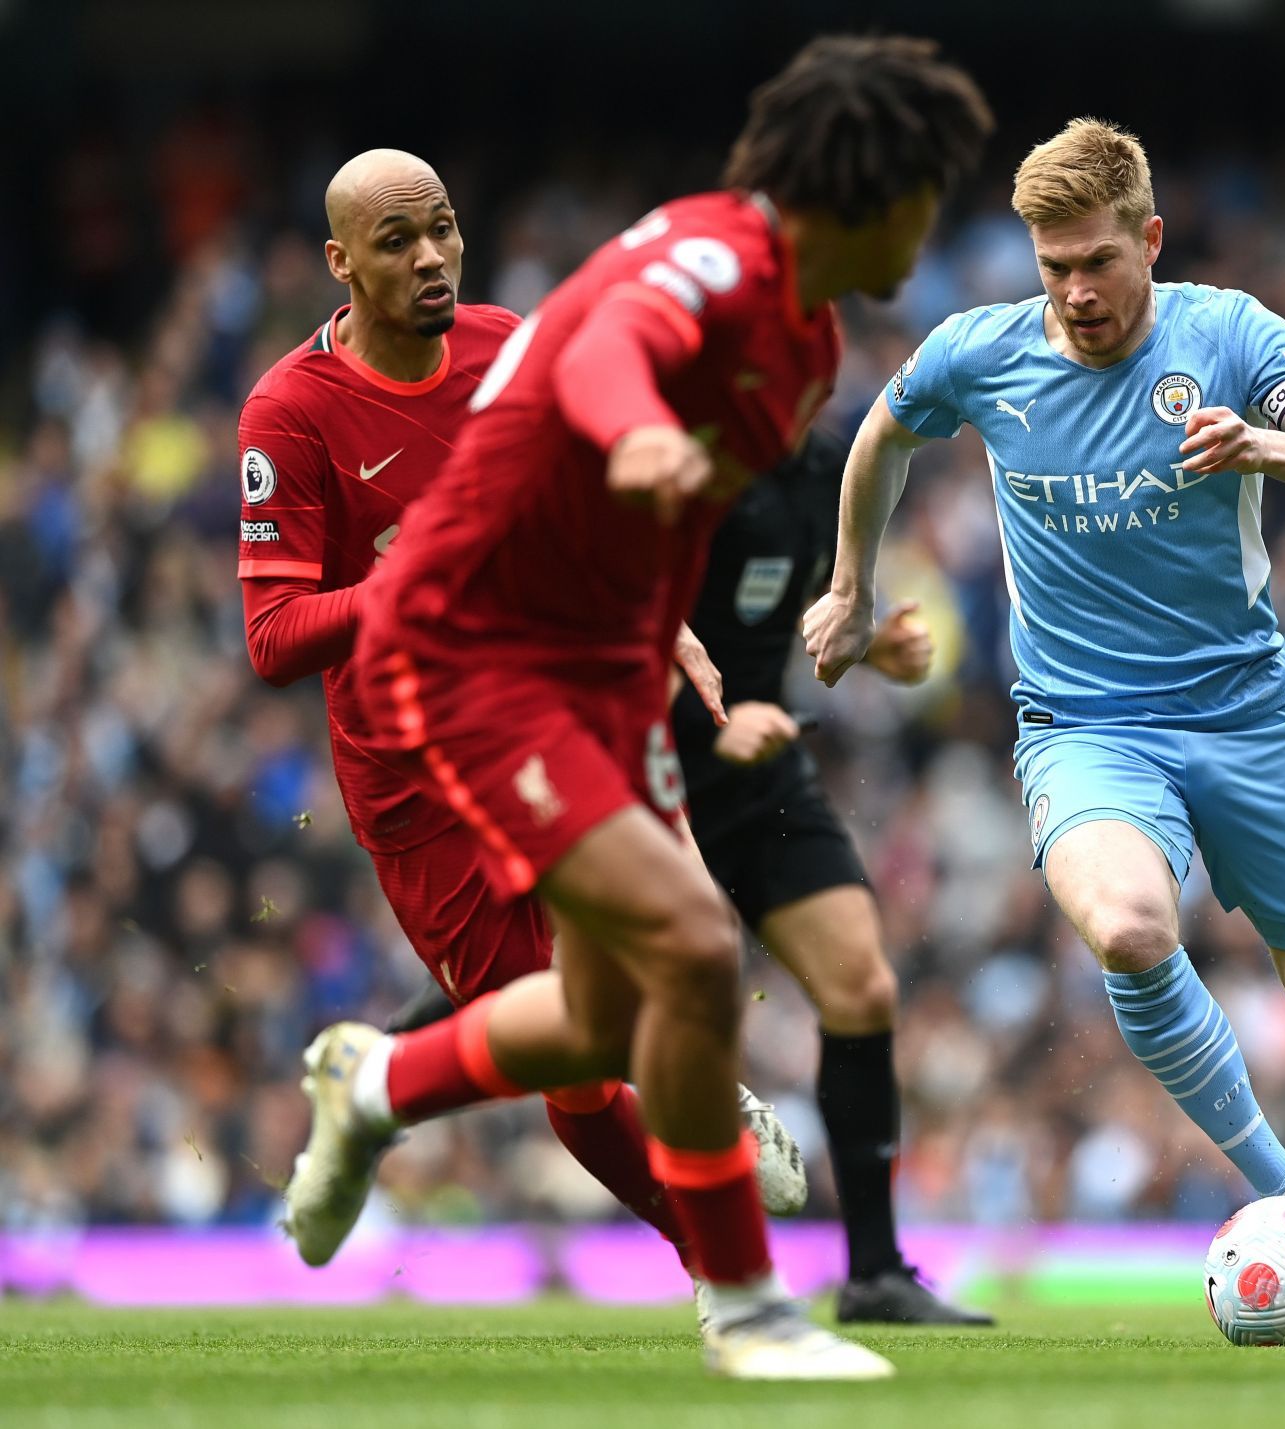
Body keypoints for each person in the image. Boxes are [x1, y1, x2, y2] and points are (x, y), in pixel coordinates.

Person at [283, 37, 993, 1380]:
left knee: (605, 1014)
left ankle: (372, 1083)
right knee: (696, 950)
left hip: (603, 664)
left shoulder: (811, 342)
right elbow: (608, 346)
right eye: (927, 192)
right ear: (874, 188)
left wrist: (753, 651)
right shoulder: (716, 259)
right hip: (469, 640)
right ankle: (748, 1311)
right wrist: (635, 434)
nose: (931, 221)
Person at [803, 118, 1285, 1344]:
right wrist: (850, 582)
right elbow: (881, 436)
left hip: (1249, 715)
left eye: (1098, 260)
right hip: (1086, 727)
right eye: (1052, 265)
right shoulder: (980, 354)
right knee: (1128, 926)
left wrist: (1259, 442)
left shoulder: (1230, 336)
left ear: (1148, 241)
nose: (1075, 290)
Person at [239, 149, 801, 1293]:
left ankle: (730, 1275)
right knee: (578, 1063)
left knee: (672, 940)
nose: (433, 255)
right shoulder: (291, 414)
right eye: (398, 242)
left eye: (442, 227)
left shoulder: (508, 346)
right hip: (413, 768)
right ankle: (376, 1085)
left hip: (549, 702)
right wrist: (420, 581)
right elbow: (275, 637)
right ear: (342, 264)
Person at [670, 427, 989, 1324]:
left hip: (761, 764)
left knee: (861, 982)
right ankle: (388, 1074)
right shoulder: (681, 459)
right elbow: (610, 604)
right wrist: (697, 718)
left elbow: (792, 593)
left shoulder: (824, 472)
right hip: (642, 756)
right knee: (641, 993)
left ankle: (876, 1271)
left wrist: (870, 637)